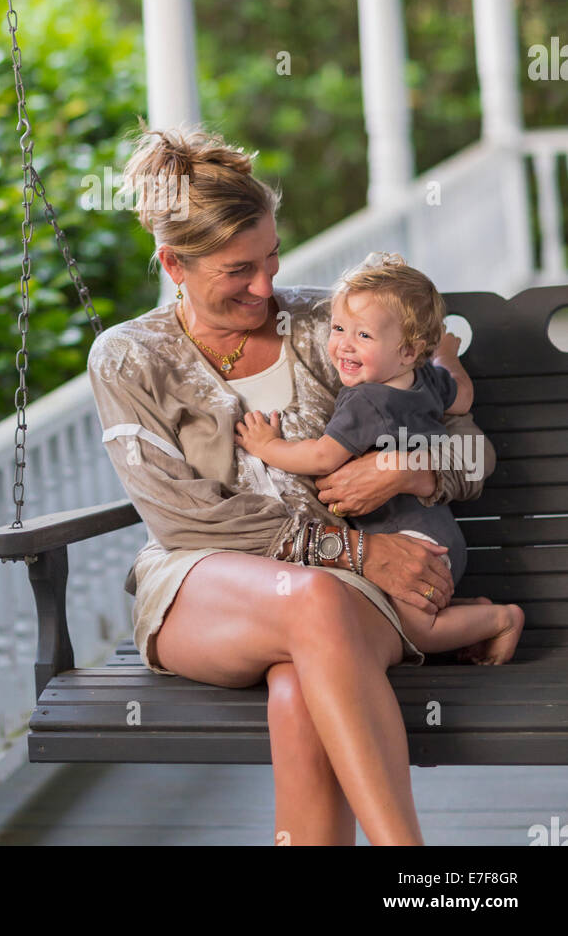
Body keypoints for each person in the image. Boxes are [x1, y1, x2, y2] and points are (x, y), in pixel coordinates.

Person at [86, 121, 498, 847]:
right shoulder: (128, 357)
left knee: (299, 687)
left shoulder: (328, 325)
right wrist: (356, 552)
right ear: (174, 265)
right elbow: (185, 520)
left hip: (354, 593)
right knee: (309, 597)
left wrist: (406, 467)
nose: (265, 284)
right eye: (238, 270)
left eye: (272, 257)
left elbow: (474, 459)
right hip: (204, 584)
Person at [235, 252, 524, 664]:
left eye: (363, 336)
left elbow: (320, 457)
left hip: (412, 544)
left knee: (416, 632)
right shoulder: (426, 378)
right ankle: (470, 610)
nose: (343, 346)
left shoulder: (366, 401)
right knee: (390, 617)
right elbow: (463, 397)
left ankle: (501, 620)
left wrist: (266, 446)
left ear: (407, 350)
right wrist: (447, 356)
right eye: (338, 328)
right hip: (439, 533)